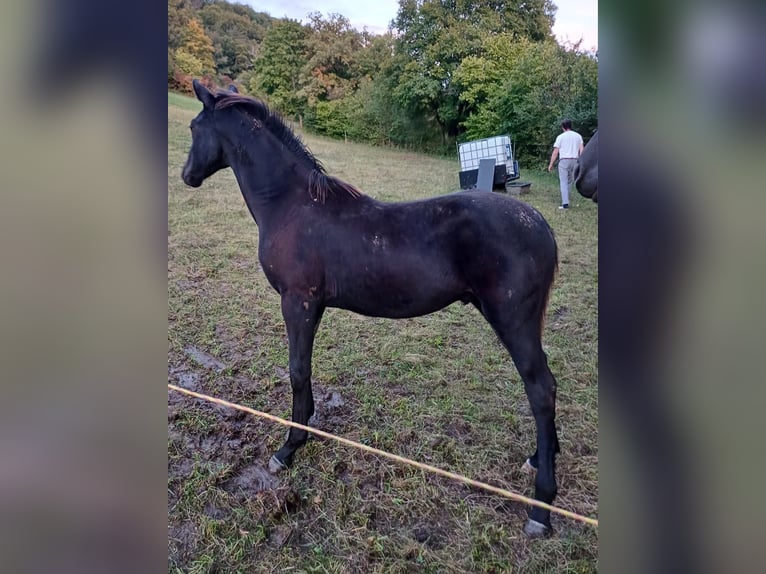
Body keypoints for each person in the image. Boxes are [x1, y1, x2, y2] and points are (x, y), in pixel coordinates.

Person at [547, 119, 584, 209]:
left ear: (563, 127)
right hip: (575, 160)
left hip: (564, 161)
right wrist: (581, 161)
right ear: (570, 126)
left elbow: (556, 152)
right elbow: (582, 150)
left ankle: (565, 203)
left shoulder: (560, 137)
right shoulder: (578, 136)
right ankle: (566, 199)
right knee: (570, 181)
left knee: (563, 181)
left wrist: (551, 164)